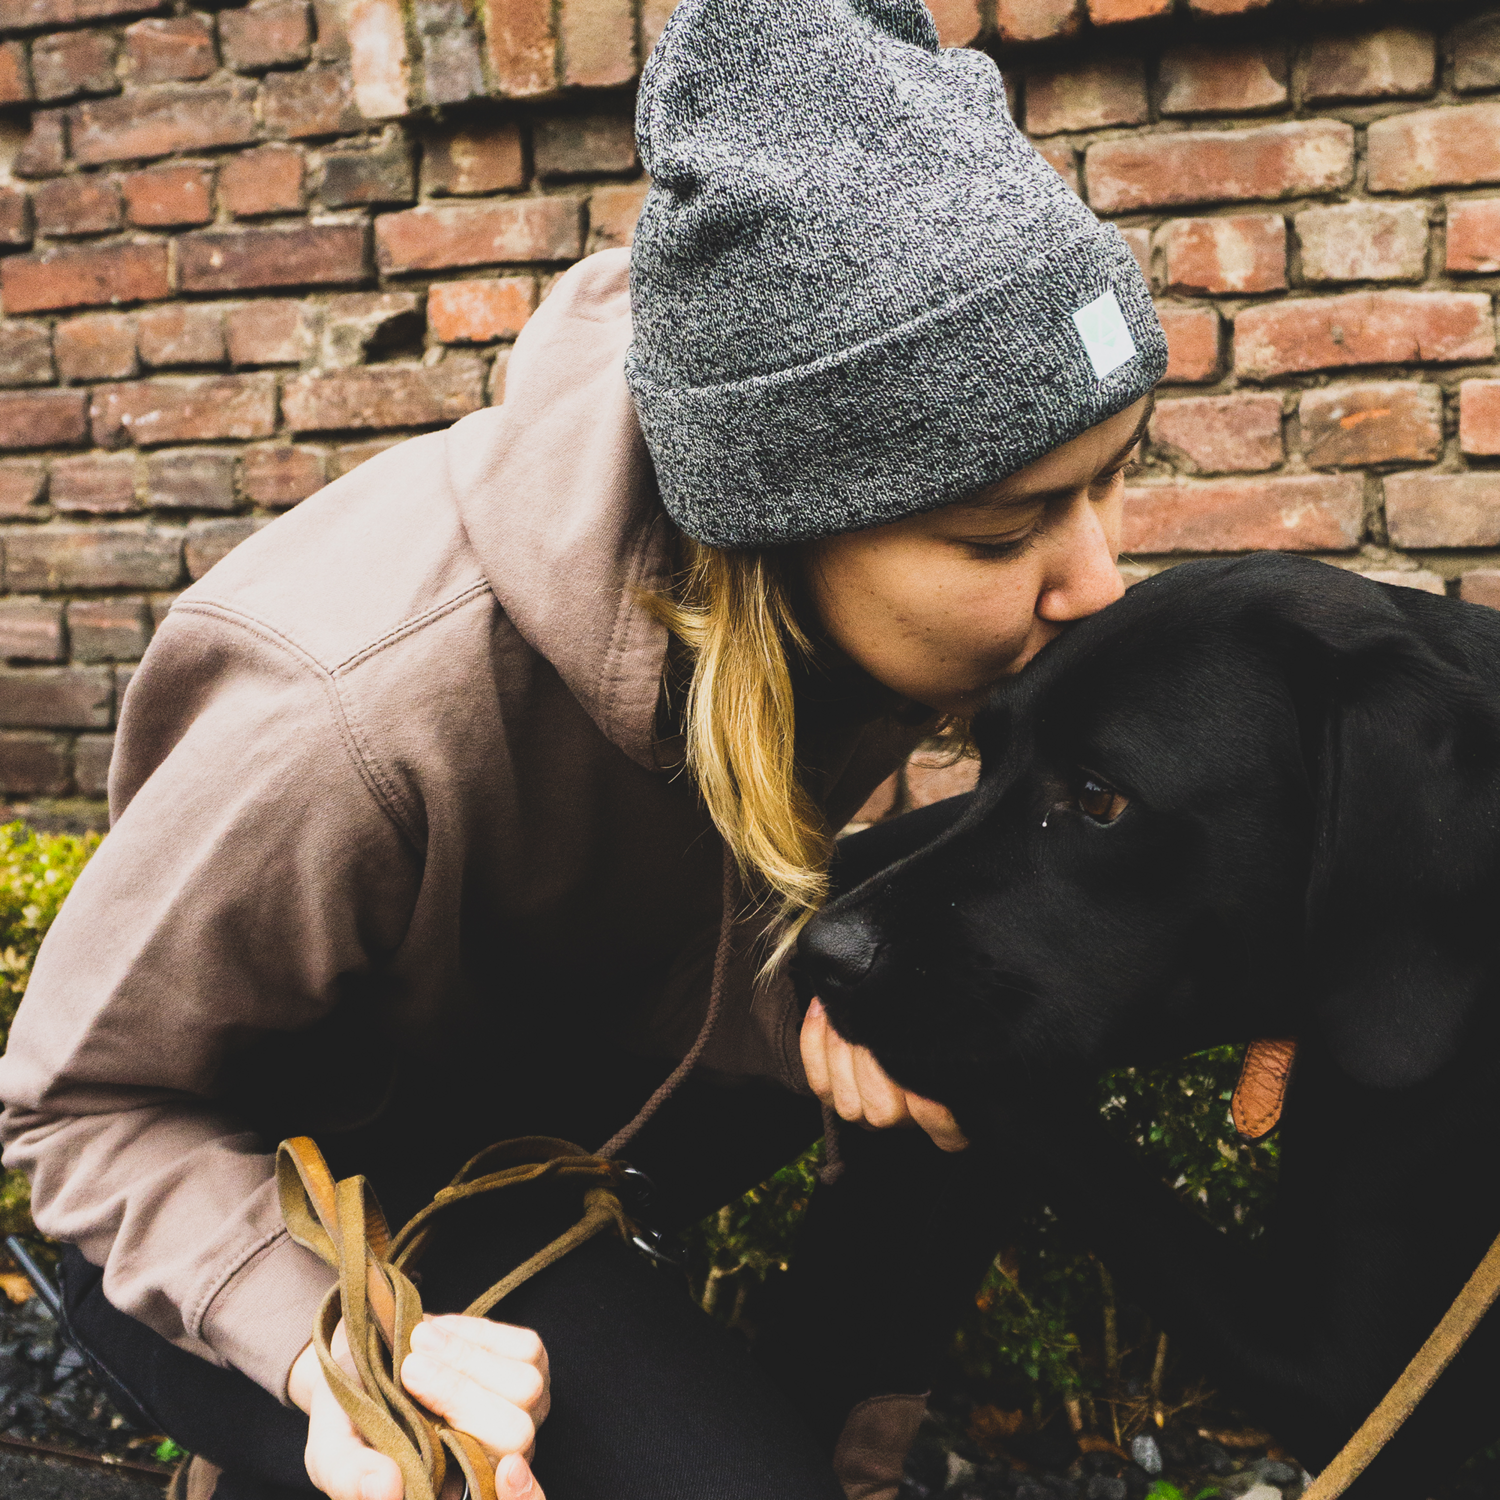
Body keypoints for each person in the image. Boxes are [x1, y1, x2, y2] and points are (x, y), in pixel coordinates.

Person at [0, 1, 1165, 1498]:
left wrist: (833, 1011)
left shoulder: (828, 599)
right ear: (776, 524)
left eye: (1114, 480)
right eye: (1006, 532)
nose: (1097, 583)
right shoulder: (358, 711)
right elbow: (78, 1110)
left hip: (546, 1109)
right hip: (257, 1196)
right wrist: (330, 1353)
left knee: (974, 1041)